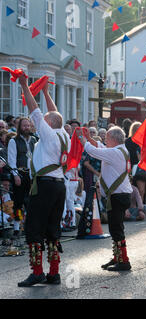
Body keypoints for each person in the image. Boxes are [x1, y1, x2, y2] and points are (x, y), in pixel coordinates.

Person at [17, 74, 70, 287]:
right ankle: (54, 273)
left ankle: (37, 272)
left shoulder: (48, 133)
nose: (39, 122)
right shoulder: (63, 133)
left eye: (44, 120)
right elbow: (53, 114)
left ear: (48, 123)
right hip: (59, 185)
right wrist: (47, 92)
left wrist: (24, 85)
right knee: (53, 229)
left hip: (45, 185)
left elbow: (35, 110)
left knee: (34, 228)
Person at [80, 126, 133, 272]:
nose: (105, 140)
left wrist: (82, 139)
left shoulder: (115, 152)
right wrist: (90, 140)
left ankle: (124, 261)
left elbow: (94, 151)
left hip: (118, 196)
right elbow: (101, 148)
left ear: (113, 139)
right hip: (120, 195)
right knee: (116, 227)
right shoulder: (120, 150)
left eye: (107, 138)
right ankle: (118, 257)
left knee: (116, 229)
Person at [7, 117, 37, 233]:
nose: (26, 128)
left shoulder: (34, 140)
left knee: (31, 202)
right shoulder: (13, 141)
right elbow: (11, 160)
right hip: (20, 174)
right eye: (24, 126)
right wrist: (15, 175)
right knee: (18, 202)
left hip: (32, 175)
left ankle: (30, 225)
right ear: (19, 127)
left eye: (28, 125)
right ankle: (16, 227)